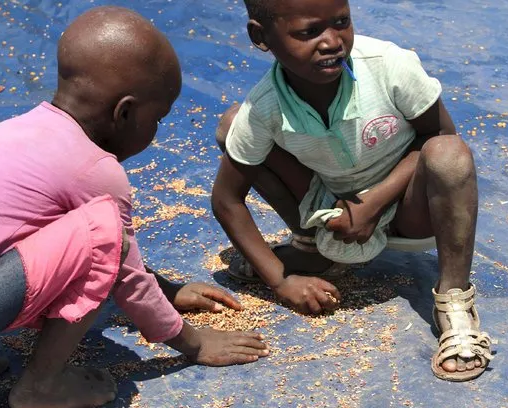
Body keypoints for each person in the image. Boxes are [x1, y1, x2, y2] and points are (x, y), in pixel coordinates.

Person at [0, 6, 269, 408]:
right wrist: (193, 342)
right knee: (101, 230)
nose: (157, 130)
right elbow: (114, 262)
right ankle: (40, 386)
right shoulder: (95, 171)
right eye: (158, 118)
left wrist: (165, 289)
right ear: (125, 113)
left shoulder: (23, 131)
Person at [211, 0, 493, 382]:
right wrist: (279, 280)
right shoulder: (265, 106)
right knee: (234, 130)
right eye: (309, 31)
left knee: (449, 153)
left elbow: (439, 134)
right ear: (260, 37)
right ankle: (314, 249)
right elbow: (227, 199)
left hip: (409, 207)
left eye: (341, 22)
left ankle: (455, 303)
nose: (332, 42)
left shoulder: (388, 64)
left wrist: (374, 202)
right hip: (333, 210)